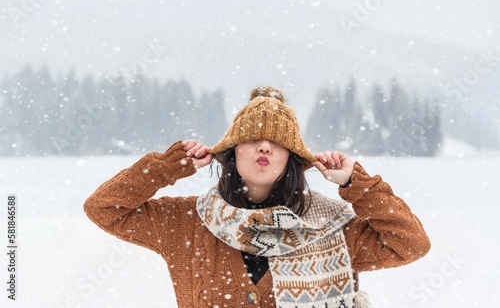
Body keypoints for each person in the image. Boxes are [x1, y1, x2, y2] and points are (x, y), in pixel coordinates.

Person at [84, 85, 430, 308]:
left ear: (291, 158)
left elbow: (411, 243)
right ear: (231, 152)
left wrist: (358, 182)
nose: (264, 146)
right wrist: (168, 167)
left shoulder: (331, 227)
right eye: (252, 138)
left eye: (277, 141)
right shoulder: (186, 223)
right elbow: (104, 208)